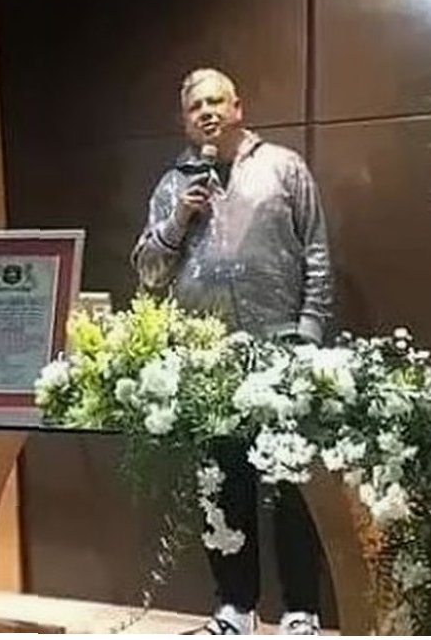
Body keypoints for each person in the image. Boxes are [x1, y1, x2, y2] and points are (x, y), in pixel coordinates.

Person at [131, 68, 333, 635]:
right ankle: (236, 608)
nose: (207, 112)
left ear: (238, 107)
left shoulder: (283, 167)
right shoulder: (172, 185)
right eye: (196, 106)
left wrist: (309, 335)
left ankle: (301, 609)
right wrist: (178, 219)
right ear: (185, 120)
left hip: (282, 350)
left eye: (216, 101)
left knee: (292, 486)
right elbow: (149, 272)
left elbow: (317, 253)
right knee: (222, 486)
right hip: (209, 360)